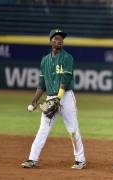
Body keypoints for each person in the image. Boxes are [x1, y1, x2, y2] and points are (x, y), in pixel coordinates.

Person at [21, 29, 86, 169]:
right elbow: (41, 84)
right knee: (43, 129)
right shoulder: (45, 60)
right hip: (50, 98)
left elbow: (65, 79)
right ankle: (32, 159)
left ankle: (80, 160)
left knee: (73, 129)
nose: (60, 40)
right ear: (51, 41)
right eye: (56, 38)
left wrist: (59, 98)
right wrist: (35, 100)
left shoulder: (67, 58)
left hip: (66, 97)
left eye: (61, 38)